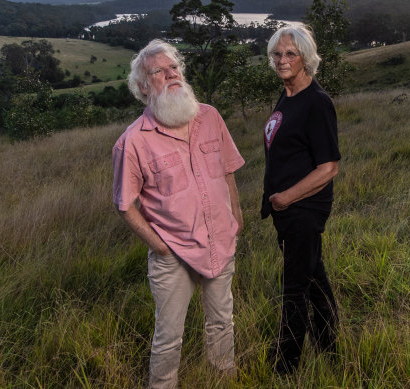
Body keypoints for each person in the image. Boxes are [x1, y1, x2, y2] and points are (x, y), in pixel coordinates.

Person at [112, 39, 244, 388]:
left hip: (220, 240)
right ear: (143, 87)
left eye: (175, 68)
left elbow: (227, 170)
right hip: (172, 254)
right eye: (159, 71)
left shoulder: (210, 116)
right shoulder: (133, 141)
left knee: (222, 322)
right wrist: (160, 247)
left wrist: (237, 218)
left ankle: (223, 380)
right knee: (169, 336)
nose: (171, 75)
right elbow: (125, 205)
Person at [260, 25, 341, 374]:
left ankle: (285, 366)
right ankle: (330, 346)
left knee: (293, 289)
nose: (282, 60)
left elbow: (328, 167)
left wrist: (285, 199)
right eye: (277, 54)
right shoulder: (288, 94)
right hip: (287, 209)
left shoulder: (316, 102)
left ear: (306, 57)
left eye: (290, 54)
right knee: (313, 279)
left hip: (302, 209)